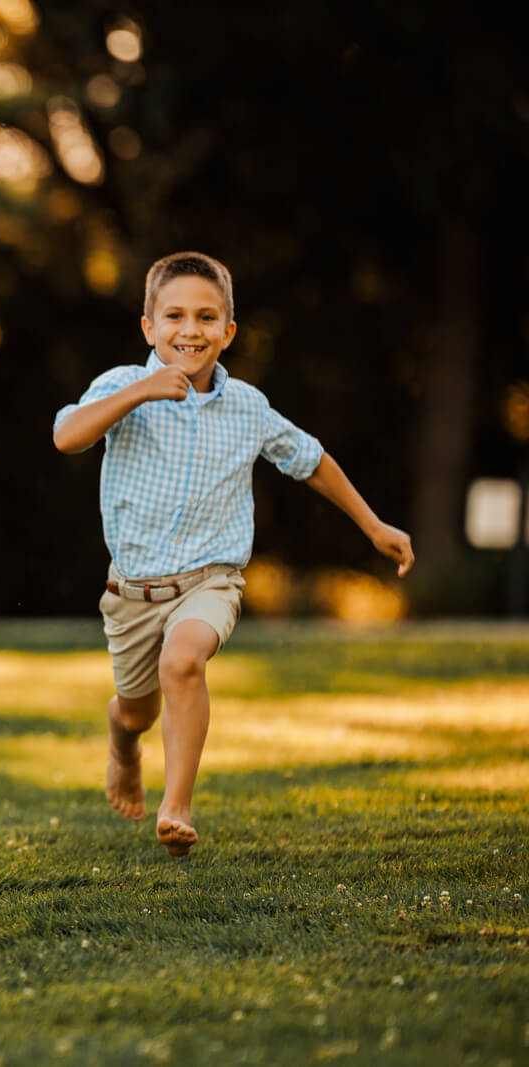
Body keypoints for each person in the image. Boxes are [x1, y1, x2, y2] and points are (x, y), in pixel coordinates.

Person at [53, 251, 414, 856]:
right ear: (149, 327)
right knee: (136, 712)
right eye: (174, 316)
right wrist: (141, 392)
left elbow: (311, 460)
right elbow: (67, 436)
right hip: (133, 590)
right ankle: (123, 746)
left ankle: (177, 805)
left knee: (183, 662)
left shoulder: (248, 407)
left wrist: (372, 525)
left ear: (228, 331)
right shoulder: (121, 385)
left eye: (206, 317)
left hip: (210, 581)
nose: (190, 330)